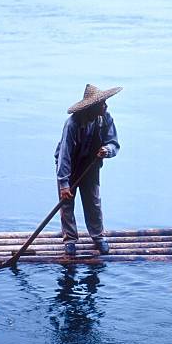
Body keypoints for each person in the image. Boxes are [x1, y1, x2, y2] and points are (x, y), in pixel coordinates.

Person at [55, 84, 122, 256]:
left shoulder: (105, 118)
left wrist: (107, 150)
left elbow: (114, 143)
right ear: (92, 107)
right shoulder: (72, 124)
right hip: (69, 166)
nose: (105, 106)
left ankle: (98, 236)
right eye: (102, 103)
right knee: (67, 204)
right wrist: (64, 184)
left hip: (91, 165)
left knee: (93, 202)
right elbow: (64, 154)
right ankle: (70, 240)